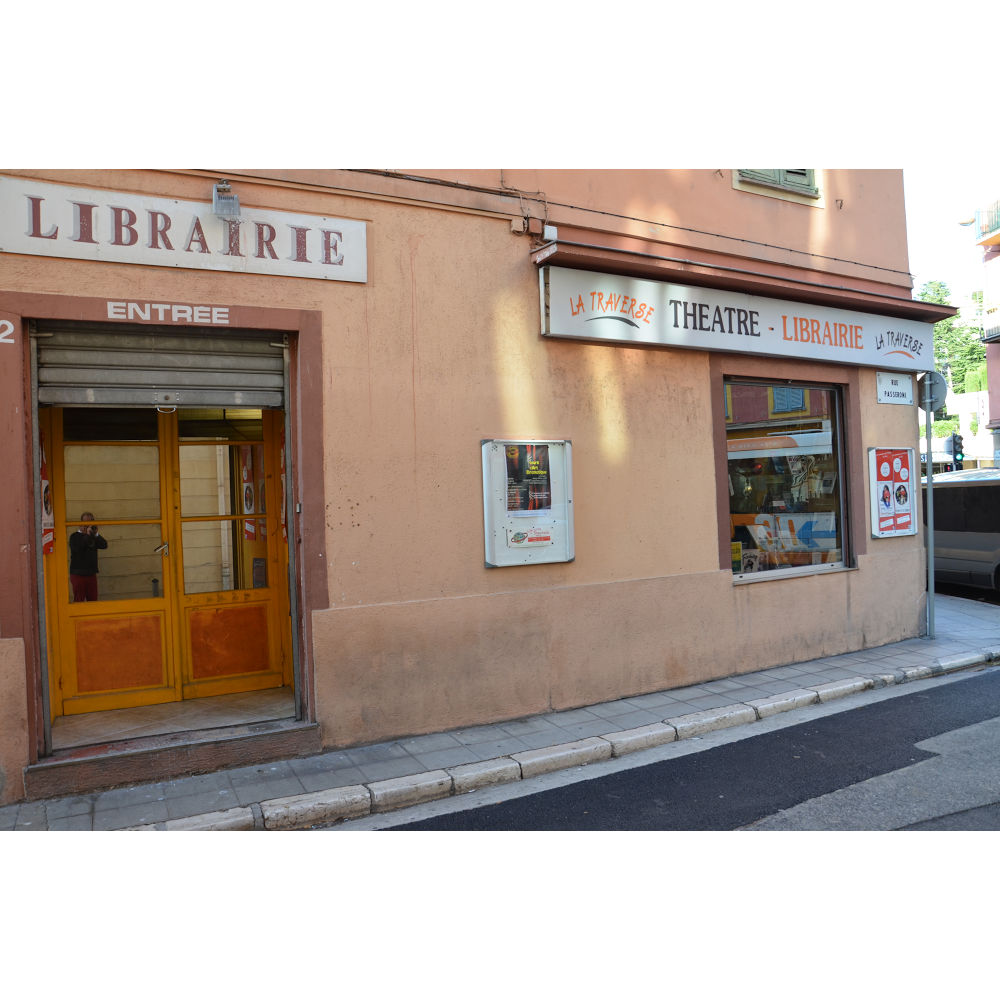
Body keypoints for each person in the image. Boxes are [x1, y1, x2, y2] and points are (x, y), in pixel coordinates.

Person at [69, 512, 107, 602]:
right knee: (79, 601)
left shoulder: (93, 536)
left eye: (90, 524)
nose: (87, 527)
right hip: (78, 573)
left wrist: (96, 534)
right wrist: (86, 536)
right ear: (80, 524)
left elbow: (104, 545)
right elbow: (77, 548)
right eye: (86, 523)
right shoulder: (74, 536)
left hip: (91, 573)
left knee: (93, 601)